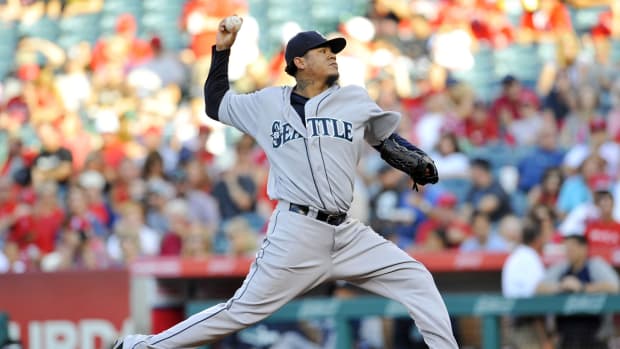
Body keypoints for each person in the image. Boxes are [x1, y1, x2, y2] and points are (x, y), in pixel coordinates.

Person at [114, 18, 457, 349]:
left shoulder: (353, 99)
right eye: (324, 51)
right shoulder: (267, 103)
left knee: (417, 279)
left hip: (348, 233)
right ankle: (143, 346)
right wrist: (221, 51)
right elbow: (215, 103)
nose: (332, 54)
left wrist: (415, 160)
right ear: (300, 62)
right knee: (240, 312)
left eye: (332, 50)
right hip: (296, 231)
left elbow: (386, 141)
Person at [536, 234, 620, 349]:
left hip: (594, 329)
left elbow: (615, 287)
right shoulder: (562, 267)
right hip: (565, 331)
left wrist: (583, 287)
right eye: (566, 249)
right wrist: (561, 286)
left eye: (572, 248)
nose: (568, 252)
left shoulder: (595, 265)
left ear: (584, 248)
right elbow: (539, 288)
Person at [501, 220, 551, 349]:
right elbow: (537, 292)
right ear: (538, 239)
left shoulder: (516, 256)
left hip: (513, 323)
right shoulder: (530, 257)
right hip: (527, 325)